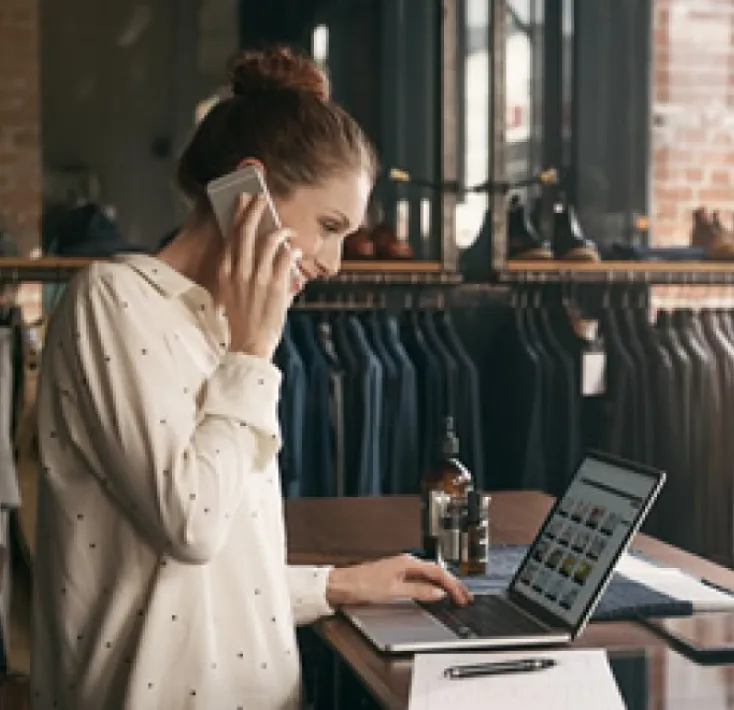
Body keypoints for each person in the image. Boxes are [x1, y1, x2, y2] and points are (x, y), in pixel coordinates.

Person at [31, 47, 471, 709]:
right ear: (249, 190)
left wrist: (338, 585)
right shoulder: (114, 301)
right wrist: (254, 351)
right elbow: (192, 524)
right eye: (329, 226)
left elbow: (214, 577)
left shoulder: (229, 327)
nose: (334, 263)